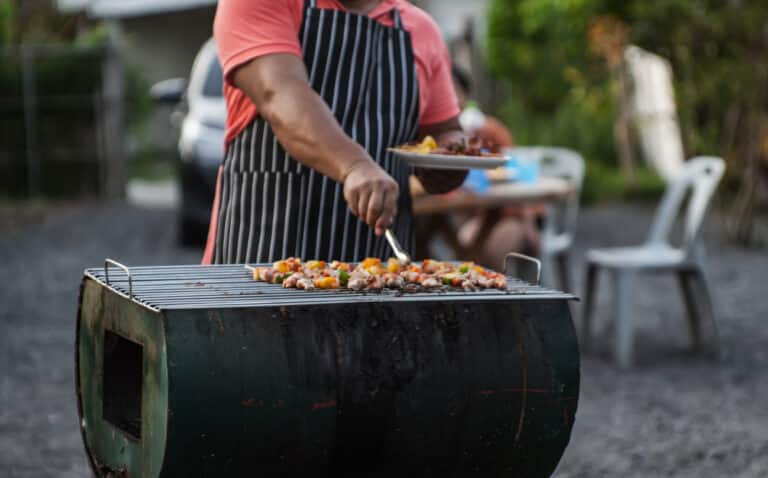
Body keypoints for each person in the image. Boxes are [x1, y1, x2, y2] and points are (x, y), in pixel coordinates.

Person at [201, 0, 467, 265]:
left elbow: (444, 132)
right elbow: (279, 94)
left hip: (379, 267)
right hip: (262, 256)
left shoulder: (420, 29)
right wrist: (355, 165)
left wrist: (452, 158)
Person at [451, 67, 541, 266]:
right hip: (472, 216)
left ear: (465, 95)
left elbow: (516, 173)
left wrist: (527, 222)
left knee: (489, 253)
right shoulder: (433, 139)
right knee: (461, 246)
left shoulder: (488, 130)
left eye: (453, 91)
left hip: (510, 215)